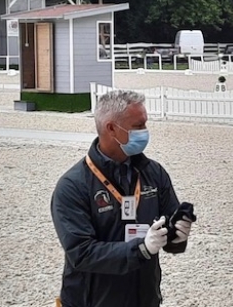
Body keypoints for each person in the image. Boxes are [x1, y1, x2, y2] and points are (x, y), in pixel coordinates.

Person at [51, 90, 194, 307]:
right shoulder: (73, 186)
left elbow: (167, 233)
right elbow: (81, 253)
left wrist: (178, 235)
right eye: (138, 126)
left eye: (145, 124)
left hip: (144, 298)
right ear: (111, 128)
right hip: (91, 301)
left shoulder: (153, 173)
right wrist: (142, 248)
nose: (145, 132)